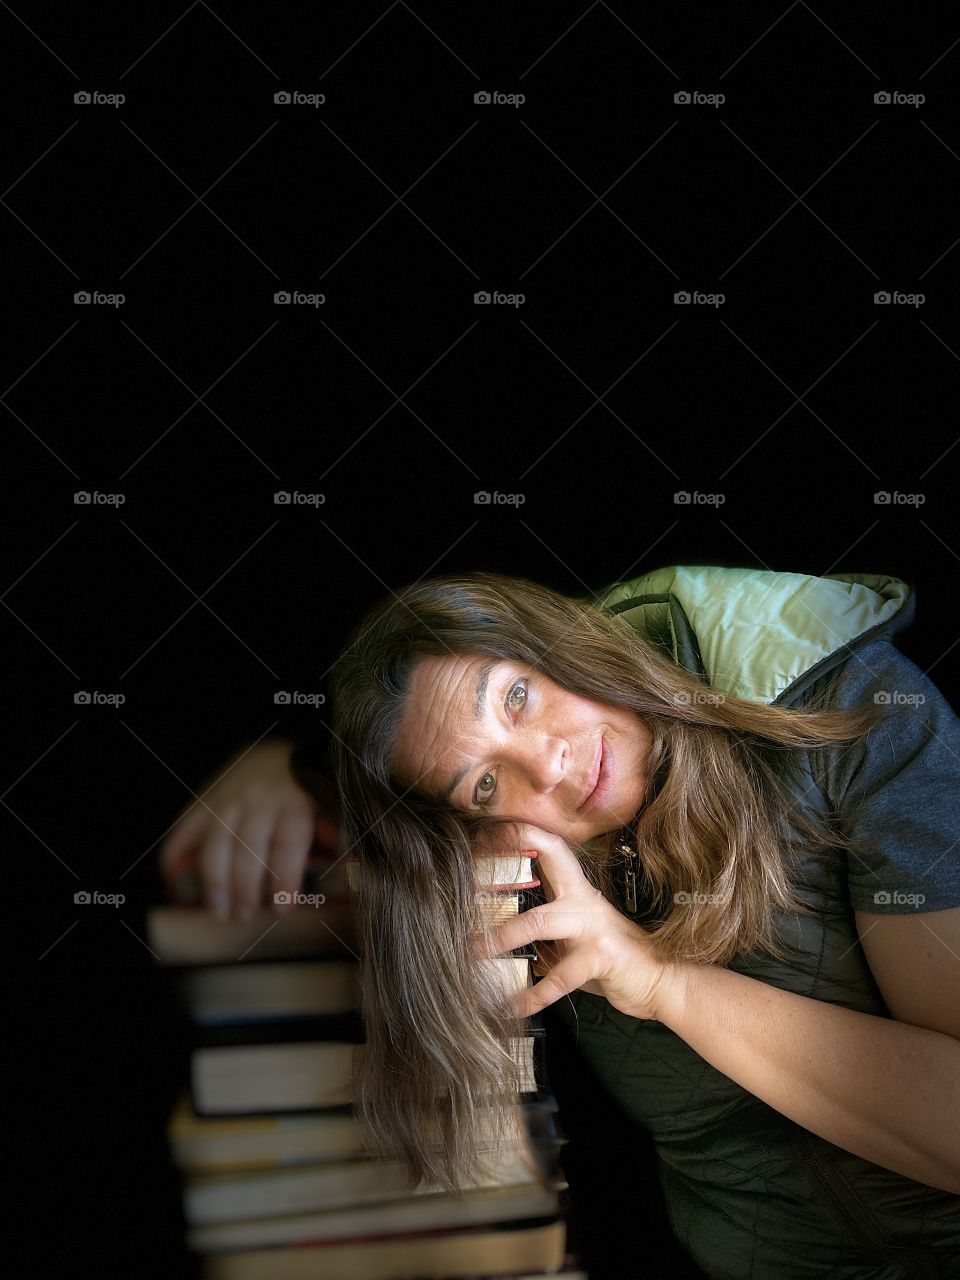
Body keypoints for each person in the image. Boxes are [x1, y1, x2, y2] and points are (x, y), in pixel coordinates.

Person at [159, 563, 960, 1279]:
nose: (549, 765)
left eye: (517, 696)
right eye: (484, 784)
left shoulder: (857, 718)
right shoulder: (519, 864)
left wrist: (661, 983)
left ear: (565, 643)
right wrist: (279, 767)